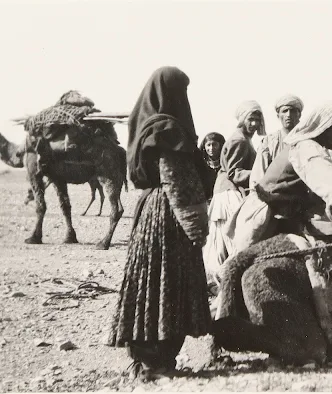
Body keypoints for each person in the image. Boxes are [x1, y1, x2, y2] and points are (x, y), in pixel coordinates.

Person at [106, 66, 212, 380]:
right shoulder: (167, 129)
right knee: (167, 281)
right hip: (170, 215)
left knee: (149, 283)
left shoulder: (143, 125)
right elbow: (175, 178)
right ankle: (157, 362)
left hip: (150, 212)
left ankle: (145, 360)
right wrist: (195, 224)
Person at [222, 101, 332, 257]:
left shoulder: (310, 146)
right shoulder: (307, 148)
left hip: (285, 212)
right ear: (324, 127)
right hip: (265, 218)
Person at [202, 100, 265, 284]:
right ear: (242, 119)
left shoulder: (243, 138)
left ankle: (222, 279)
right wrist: (261, 173)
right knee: (236, 239)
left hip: (227, 190)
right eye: (251, 119)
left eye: (257, 119)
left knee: (224, 240)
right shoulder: (239, 140)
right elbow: (234, 173)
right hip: (228, 193)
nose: (254, 124)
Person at [249, 94, 303, 188]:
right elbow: (259, 174)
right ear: (278, 115)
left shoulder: (306, 139)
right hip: (275, 193)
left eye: (293, 111)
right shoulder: (269, 142)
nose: (288, 115)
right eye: (285, 111)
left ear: (299, 114)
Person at [199, 132, 226, 201]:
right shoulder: (201, 164)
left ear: (220, 146)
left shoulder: (226, 164)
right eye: (208, 145)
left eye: (214, 145)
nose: (211, 148)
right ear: (204, 147)